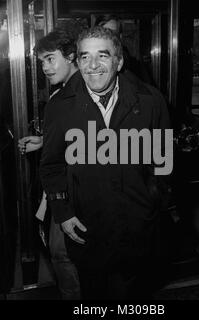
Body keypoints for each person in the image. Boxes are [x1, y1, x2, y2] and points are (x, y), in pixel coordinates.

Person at [39, 26, 172, 299]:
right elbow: (52, 165)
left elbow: (164, 160)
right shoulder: (60, 105)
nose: (93, 65)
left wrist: (154, 203)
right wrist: (63, 212)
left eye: (103, 55)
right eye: (85, 57)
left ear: (119, 61)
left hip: (138, 226)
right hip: (88, 228)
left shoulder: (150, 101)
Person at [17, 28, 81, 300]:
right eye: (41, 61)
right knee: (61, 252)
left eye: (50, 59)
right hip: (65, 187)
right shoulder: (60, 95)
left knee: (63, 253)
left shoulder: (84, 94)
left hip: (77, 188)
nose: (44, 67)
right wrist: (45, 141)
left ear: (70, 57)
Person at [95, 14, 154, 85]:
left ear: (120, 36)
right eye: (103, 33)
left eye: (113, 33)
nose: (108, 37)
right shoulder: (86, 65)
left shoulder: (136, 68)